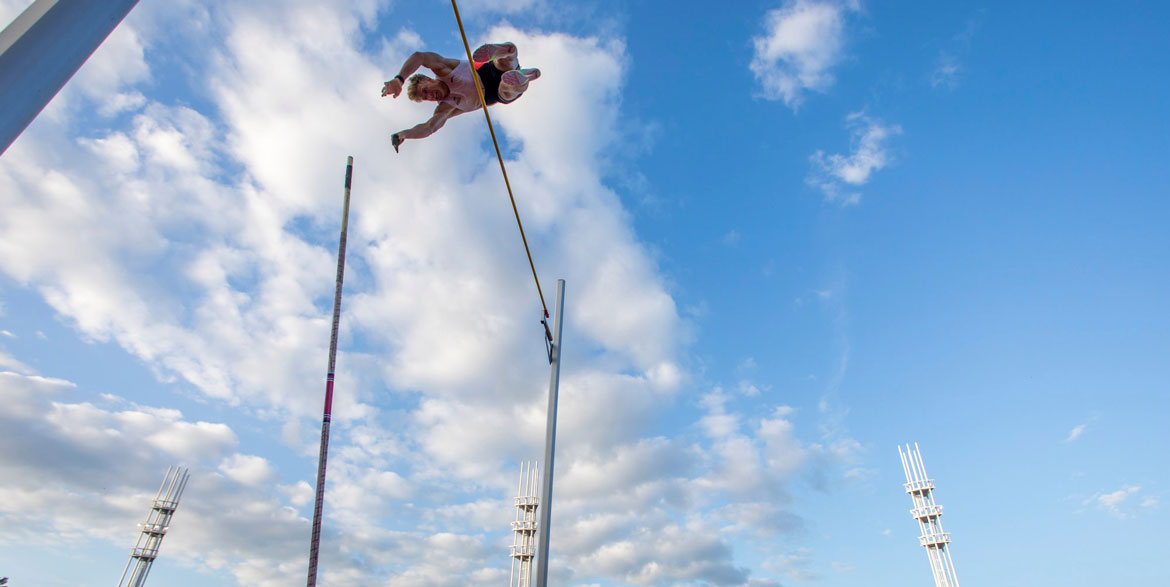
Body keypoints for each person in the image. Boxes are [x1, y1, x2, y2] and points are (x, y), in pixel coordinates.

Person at [380, 43, 541, 152]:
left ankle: (502, 53)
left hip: (486, 71)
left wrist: (399, 79)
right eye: (426, 98)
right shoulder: (445, 107)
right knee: (507, 89)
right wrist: (403, 135)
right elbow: (429, 127)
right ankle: (520, 78)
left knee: (509, 53)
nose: (430, 96)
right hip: (493, 94)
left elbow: (420, 57)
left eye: (426, 91)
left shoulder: (445, 69)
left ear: (428, 80)